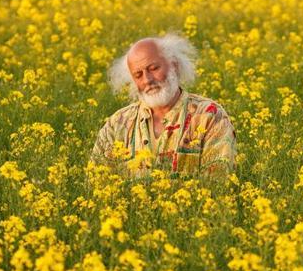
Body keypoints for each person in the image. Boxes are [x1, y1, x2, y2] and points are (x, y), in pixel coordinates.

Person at [91, 33, 236, 178]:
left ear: (174, 65)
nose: (147, 80)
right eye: (138, 75)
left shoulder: (209, 115)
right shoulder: (116, 125)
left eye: (154, 68)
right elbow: (95, 182)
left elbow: (218, 183)